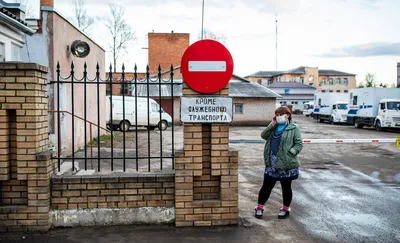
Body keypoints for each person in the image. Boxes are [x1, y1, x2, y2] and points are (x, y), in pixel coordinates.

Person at [255, 106, 303, 219]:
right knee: (266, 187)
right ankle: (259, 208)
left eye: (281, 114)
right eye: (277, 114)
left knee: (286, 187)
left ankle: (285, 209)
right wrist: (271, 124)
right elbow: (263, 136)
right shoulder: (274, 126)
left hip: (286, 163)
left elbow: (299, 144)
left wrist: (290, 153)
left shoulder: (293, 128)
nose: (278, 116)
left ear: (288, 115)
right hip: (272, 162)